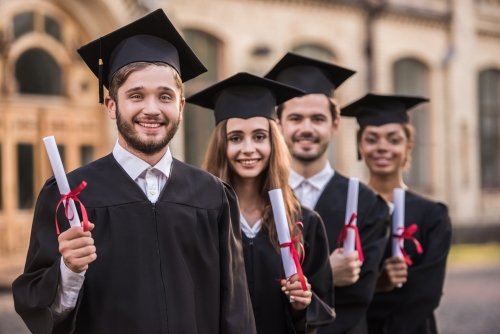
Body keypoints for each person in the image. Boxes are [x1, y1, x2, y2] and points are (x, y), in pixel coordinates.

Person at [12, 10, 255, 334]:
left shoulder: (213, 197)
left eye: (165, 96)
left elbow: (236, 312)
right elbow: (39, 311)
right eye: (136, 95)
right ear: (112, 105)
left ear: (181, 106)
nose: (152, 109)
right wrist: (68, 269)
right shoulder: (67, 195)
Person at [187, 72, 335, 334]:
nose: (248, 148)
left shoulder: (304, 223)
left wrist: (301, 305)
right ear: (222, 144)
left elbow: (322, 308)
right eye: (235, 138)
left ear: (272, 142)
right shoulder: (202, 221)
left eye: (258, 136)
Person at [266, 53, 390, 334]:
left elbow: (359, 296)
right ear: (278, 124)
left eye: (317, 118)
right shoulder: (258, 200)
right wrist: (328, 273)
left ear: (335, 125)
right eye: (296, 118)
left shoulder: (367, 204)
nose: (306, 129)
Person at [342, 93, 452, 334]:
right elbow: (338, 292)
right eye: (372, 139)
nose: (382, 147)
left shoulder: (432, 215)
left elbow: (427, 292)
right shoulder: (347, 212)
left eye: (393, 139)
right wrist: (376, 285)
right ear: (360, 147)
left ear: (408, 146)